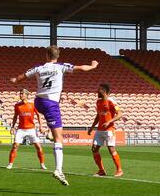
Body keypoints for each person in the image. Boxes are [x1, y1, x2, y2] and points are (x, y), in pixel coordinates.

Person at [10, 45, 98, 186]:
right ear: (58, 56)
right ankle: (58, 170)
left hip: (38, 101)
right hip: (51, 104)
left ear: (46, 55)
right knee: (59, 138)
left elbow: (21, 77)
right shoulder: (61, 66)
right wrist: (93, 66)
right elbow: (81, 68)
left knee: (54, 131)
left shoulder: (38, 68)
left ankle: (50, 133)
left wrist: (14, 80)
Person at [88, 83, 124, 177]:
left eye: (98, 90)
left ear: (103, 91)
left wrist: (109, 122)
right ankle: (101, 170)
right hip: (100, 130)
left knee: (111, 149)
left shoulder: (111, 101)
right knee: (94, 149)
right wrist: (92, 127)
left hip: (109, 130)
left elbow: (120, 114)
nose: (97, 92)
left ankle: (119, 170)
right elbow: (98, 116)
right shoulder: (98, 102)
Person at [8, 88, 46, 170]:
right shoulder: (17, 105)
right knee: (15, 146)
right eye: (20, 93)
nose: (21, 95)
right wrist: (12, 127)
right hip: (21, 129)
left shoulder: (32, 105)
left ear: (27, 95)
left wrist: (41, 126)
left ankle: (42, 164)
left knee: (39, 147)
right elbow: (15, 116)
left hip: (31, 129)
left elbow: (39, 115)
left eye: (22, 93)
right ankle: (10, 164)